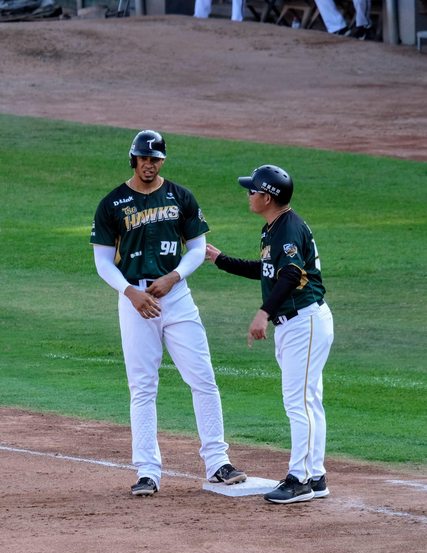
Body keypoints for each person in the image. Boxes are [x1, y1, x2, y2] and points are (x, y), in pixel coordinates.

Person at [90, 129, 246, 496]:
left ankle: (217, 462)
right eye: (144, 158)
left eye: (156, 159)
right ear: (134, 159)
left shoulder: (181, 197)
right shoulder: (112, 204)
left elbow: (198, 248)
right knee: (143, 386)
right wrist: (130, 292)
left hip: (177, 298)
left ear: (162, 161)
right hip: (135, 301)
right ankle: (148, 471)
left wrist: (174, 277)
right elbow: (102, 261)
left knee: (203, 377)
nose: (150, 164)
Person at [205, 164, 334, 504]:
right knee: (308, 401)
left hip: (303, 322)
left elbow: (290, 274)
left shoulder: (287, 229)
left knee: (299, 402)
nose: (248, 194)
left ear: (267, 197)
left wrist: (264, 312)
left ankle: (300, 479)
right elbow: (266, 270)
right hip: (299, 322)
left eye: (253, 190)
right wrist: (221, 260)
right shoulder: (274, 228)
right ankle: (315, 475)